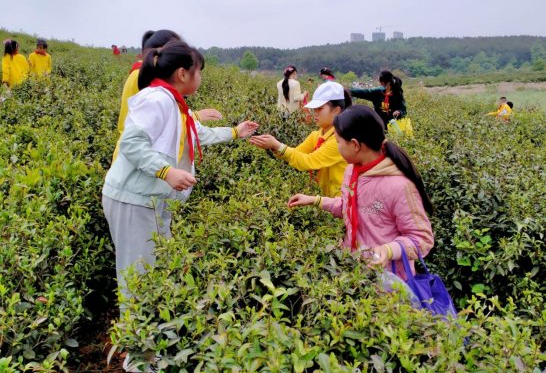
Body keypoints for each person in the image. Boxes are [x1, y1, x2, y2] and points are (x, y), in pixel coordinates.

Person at [102, 40, 258, 308]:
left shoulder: (174, 102)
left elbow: (196, 133)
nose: (200, 77)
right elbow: (130, 143)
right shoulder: (158, 99)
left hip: (150, 200)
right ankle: (136, 346)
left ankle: (148, 345)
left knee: (155, 270)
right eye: (199, 71)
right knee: (138, 279)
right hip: (133, 200)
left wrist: (235, 132)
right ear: (183, 73)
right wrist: (165, 172)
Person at [287, 105, 434, 281]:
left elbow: (422, 239)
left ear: (355, 145)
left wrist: (389, 250)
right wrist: (315, 200)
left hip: (389, 282)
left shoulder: (399, 186)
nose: (338, 147)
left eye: (339, 143)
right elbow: (350, 205)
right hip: (357, 272)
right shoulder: (352, 171)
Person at [113, 30, 222, 161]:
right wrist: (196, 116)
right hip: (135, 162)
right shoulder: (147, 82)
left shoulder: (150, 78)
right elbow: (162, 120)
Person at [250, 81, 350, 197]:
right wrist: (273, 146)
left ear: (336, 111)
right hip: (323, 199)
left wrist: (277, 145)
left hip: (340, 201)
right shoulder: (316, 135)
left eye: (320, 109)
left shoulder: (339, 141)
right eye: (314, 109)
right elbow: (296, 154)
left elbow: (308, 162)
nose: (315, 113)